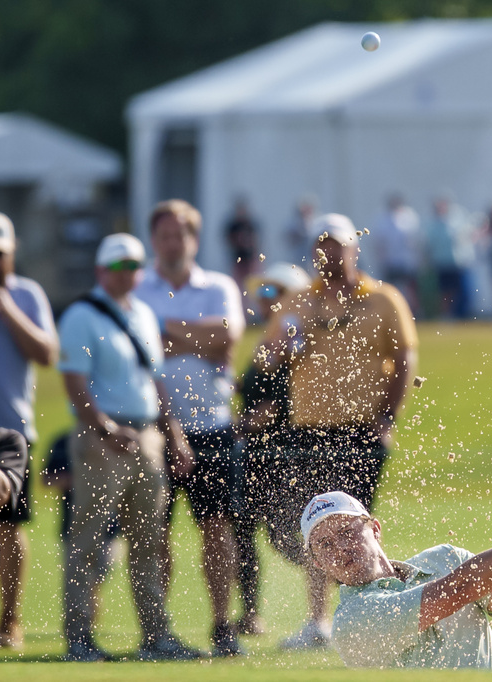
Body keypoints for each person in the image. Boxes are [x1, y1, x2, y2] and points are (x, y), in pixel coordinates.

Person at [256, 213, 418, 650]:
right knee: (320, 528)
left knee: (358, 527)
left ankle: (376, 608)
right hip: (309, 431)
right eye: (322, 245)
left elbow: (405, 360)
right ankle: (319, 620)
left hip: (362, 430)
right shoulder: (298, 302)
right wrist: (280, 349)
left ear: (354, 249)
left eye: (337, 245)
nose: (329, 253)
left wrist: (388, 418)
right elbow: (267, 359)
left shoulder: (384, 298)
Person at [58, 233, 200, 662]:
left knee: (149, 541)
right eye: (119, 266)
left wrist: (173, 435)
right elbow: (74, 381)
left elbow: (155, 382)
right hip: (102, 440)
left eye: (134, 266)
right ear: (102, 270)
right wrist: (103, 427)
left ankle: (157, 635)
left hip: (147, 436)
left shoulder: (142, 314)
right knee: (88, 539)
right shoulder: (82, 315)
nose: (128, 273)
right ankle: (79, 638)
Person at [304, 487, 492, 671]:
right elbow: (462, 588)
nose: (340, 548)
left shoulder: (443, 560)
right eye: (325, 545)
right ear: (318, 563)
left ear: (375, 529)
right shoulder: (351, 622)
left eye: (346, 532)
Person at [134, 199, 247, 656]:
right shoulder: (138, 287)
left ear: (193, 239)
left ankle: (222, 625)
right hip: (154, 426)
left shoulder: (218, 285)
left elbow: (228, 335)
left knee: (217, 530)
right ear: (153, 240)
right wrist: (196, 338)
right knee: (155, 533)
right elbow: (142, 349)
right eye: (163, 235)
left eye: (179, 234)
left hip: (213, 424)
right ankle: (159, 630)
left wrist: (166, 332)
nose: (171, 242)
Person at [234, 262, 311, 634]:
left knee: (285, 536)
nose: (262, 300)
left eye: (271, 292)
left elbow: (279, 403)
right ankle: (250, 614)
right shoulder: (268, 338)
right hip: (255, 455)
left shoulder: (295, 336)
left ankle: (338, 581)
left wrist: (244, 423)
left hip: (283, 456)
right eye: (261, 293)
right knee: (244, 532)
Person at [0, 212, 58, 651]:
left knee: (7, 527)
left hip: (10, 431)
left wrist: (3, 303)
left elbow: (45, 352)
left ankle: (10, 619)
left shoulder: (26, 294)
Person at [423, 194, 475, 319]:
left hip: (458, 263)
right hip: (442, 263)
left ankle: (461, 315)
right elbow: (428, 245)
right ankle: (446, 315)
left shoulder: (457, 220)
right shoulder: (432, 225)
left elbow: (467, 237)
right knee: (445, 292)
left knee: (463, 291)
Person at [372, 194, 421, 313]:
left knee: (410, 290)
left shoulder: (409, 217)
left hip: (407, 261)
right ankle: (389, 312)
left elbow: (416, 240)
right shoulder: (383, 220)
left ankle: (412, 312)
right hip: (390, 262)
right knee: (390, 290)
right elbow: (379, 242)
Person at [224, 197, 260, 291]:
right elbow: (228, 239)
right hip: (237, 258)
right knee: (238, 284)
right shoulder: (233, 225)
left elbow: (256, 240)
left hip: (250, 258)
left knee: (253, 283)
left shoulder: (250, 223)